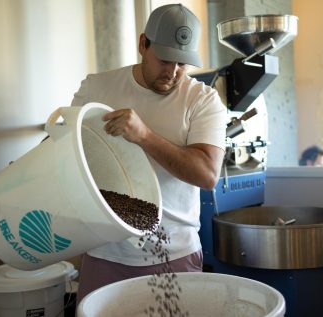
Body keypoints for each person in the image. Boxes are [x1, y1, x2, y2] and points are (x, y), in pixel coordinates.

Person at [71, 4, 226, 303]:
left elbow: (207, 175)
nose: (173, 71)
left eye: (183, 63)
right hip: (105, 251)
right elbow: (63, 147)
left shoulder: (202, 100)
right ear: (143, 44)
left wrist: (144, 136)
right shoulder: (97, 88)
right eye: (165, 59)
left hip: (174, 253)